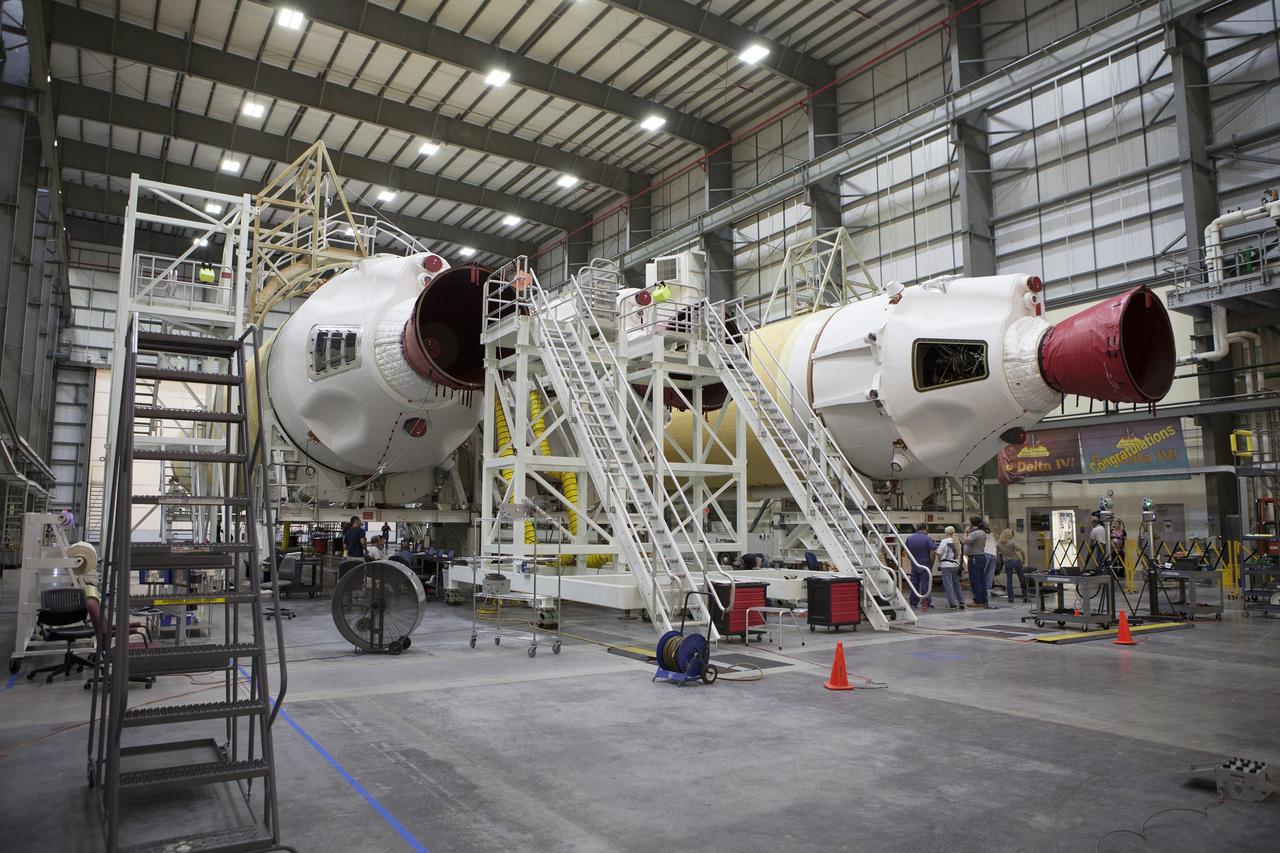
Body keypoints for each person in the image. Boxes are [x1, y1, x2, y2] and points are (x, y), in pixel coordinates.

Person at [903, 523, 936, 609]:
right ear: (924, 529)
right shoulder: (927, 539)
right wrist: (931, 562)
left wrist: (912, 560)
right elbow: (933, 551)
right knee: (925, 583)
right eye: (927, 530)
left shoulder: (910, 538)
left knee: (914, 584)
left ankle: (913, 603)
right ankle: (926, 602)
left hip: (914, 564)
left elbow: (906, 551)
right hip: (925, 564)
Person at [964, 516, 991, 608]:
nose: (968, 523)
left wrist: (966, 532)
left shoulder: (975, 533)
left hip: (974, 558)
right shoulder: (982, 532)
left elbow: (965, 541)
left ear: (973, 524)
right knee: (981, 579)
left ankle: (978, 601)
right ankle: (984, 600)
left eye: (969, 522)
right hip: (981, 557)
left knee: (975, 580)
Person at [997, 529, 1029, 602]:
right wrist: (1024, 560)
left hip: (1007, 563)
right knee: (1021, 579)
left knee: (1009, 581)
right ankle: (1025, 597)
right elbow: (1022, 551)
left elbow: (998, 553)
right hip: (1016, 561)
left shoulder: (998, 543)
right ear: (1009, 534)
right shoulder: (1012, 542)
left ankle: (1010, 598)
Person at [937, 526, 964, 609]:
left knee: (948, 585)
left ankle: (952, 603)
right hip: (956, 565)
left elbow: (939, 553)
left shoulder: (944, 541)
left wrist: (940, 560)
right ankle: (961, 601)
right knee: (956, 583)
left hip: (946, 565)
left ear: (946, 533)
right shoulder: (958, 541)